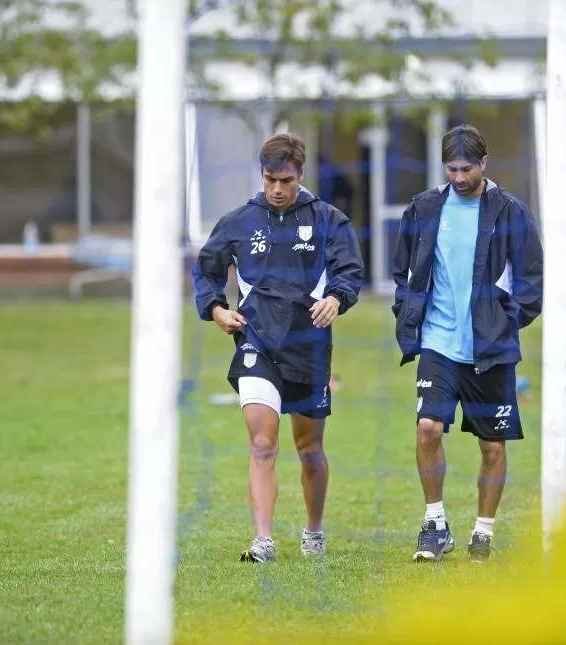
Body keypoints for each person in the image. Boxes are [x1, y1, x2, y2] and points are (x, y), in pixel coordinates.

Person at [191, 132, 364, 563]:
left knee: (309, 450)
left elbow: (350, 271)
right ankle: (263, 541)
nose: (277, 189)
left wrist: (335, 299)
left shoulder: (328, 219)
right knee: (263, 445)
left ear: (300, 175)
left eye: (285, 180)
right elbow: (206, 270)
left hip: (308, 346)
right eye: (270, 179)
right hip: (256, 341)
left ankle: (313, 531)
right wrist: (216, 309)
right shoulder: (239, 220)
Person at [391, 124, 543, 562]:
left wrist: (505, 320)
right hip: (437, 342)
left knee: (491, 446)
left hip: (489, 348)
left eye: (467, 169)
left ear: (484, 163)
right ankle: (434, 525)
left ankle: (483, 531)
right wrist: (407, 311)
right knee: (427, 428)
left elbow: (532, 281)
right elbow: (403, 272)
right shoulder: (424, 208)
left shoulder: (511, 212)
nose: (459, 177)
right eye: (452, 169)